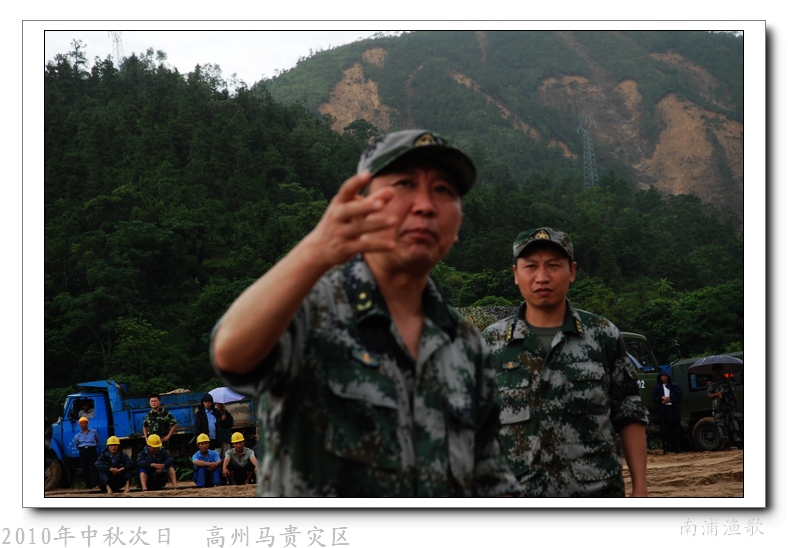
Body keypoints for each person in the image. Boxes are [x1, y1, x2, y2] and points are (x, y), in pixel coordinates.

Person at [211, 129, 518, 497]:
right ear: (361, 203)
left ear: (457, 225)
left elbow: (488, 474)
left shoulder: (466, 343)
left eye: (444, 190)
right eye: (405, 184)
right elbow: (232, 354)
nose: (425, 205)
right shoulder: (309, 307)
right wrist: (317, 249)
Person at [482, 227, 649, 497]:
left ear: (571, 271)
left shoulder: (603, 335)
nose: (542, 277)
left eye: (553, 265)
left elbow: (629, 414)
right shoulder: (491, 342)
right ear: (516, 274)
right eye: (531, 266)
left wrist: (640, 491)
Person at [707, 364, 744, 450]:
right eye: (716, 369)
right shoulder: (712, 383)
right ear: (714, 371)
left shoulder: (728, 381)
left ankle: (738, 442)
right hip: (719, 408)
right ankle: (726, 444)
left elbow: (734, 393)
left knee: (734, 425)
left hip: (730, 407)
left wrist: (735, 404)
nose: (718, 371)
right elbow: (709, 396)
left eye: (719, 369)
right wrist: (717, 394)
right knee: (721, 426)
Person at [651, 367, 684, 454]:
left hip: (673, 410)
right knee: (664, 431)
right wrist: (661, 399)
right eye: (662, 376)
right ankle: (665, 449)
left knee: (675, 431)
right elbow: (654, 398)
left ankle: (677, 448)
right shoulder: (657, 388)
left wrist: (670, 399)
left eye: (665, 376)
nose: (664, 377)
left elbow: (679, 397)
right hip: (663, 411)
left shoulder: (674, 386)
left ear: (668, 377)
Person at [73, 416, 100, 489]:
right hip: (83, 452)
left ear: (87, 423)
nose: (83, 424)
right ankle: (88, 486)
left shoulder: (94, 432)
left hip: (92, 450)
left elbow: (98, 442)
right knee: (85, 468)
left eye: (85, 423)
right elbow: (76, 445)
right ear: (79, 424)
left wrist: (92, 448)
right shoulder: (77, 436)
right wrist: (83, 449)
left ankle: (95, 484)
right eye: (82, 423)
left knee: (94, 467)